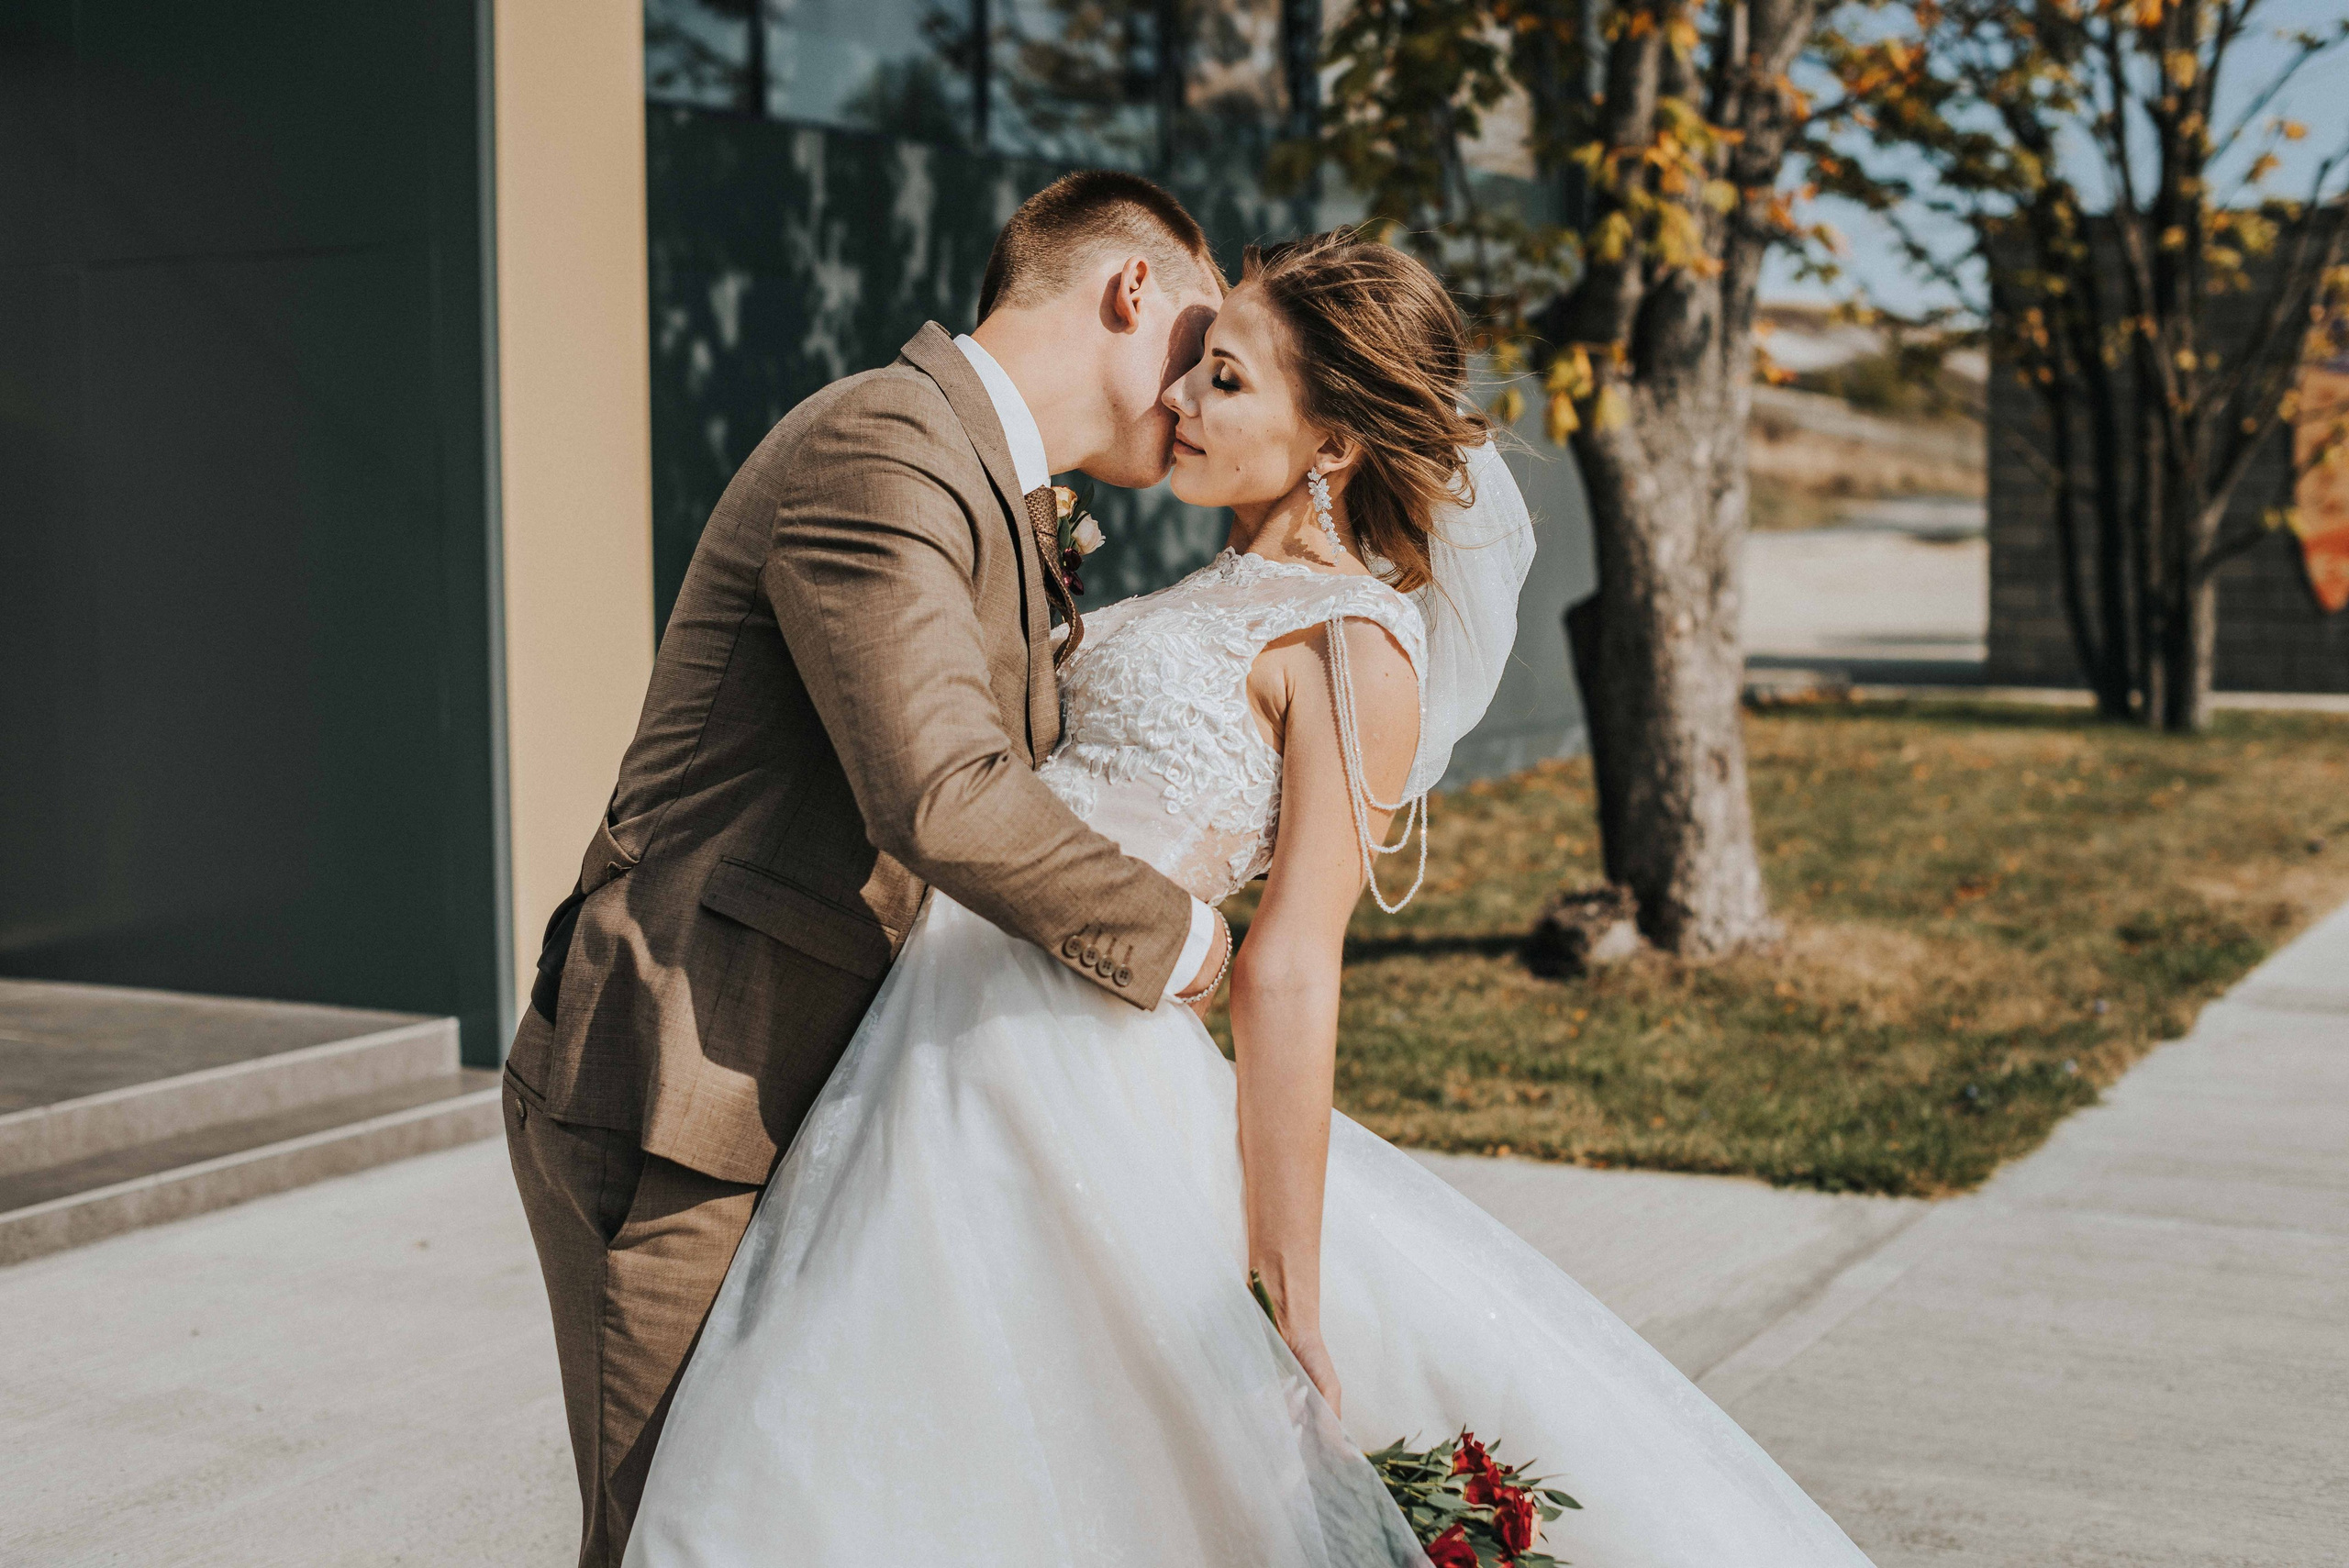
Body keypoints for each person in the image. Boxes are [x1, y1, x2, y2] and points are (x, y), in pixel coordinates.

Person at [620, 231, 1879, 1566]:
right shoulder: (1208, 589)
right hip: (936, 1037)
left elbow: (1291, 965)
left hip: (1066, 1066)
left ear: (1331, 441)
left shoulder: (1353, 644)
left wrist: (1289, 1285)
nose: (1178, 402)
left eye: (1223, 380)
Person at [502, 171, 1236, 1567]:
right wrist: (1185, 939)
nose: (1202, 394)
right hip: (680, 1099)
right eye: (1205, 347)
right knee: (668, 1539)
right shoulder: (882, 442)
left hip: (817, 1098)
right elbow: (942, 794)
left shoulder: (982, 477)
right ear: (1133, 291)